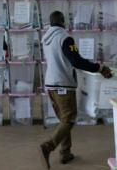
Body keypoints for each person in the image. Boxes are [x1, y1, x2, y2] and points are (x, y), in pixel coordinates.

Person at [38, 11, 112, 169]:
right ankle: (48, 146)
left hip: (50, 85)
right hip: (63, 84)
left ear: (51, 23)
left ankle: (65, 153)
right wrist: (99, 68)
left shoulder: (46, 38)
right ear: (63, 21)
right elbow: (76, 61)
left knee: (63, 120)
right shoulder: (65, 38)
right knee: (69, 119)